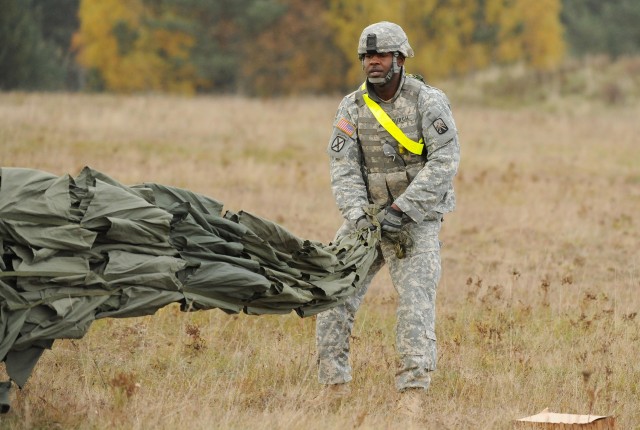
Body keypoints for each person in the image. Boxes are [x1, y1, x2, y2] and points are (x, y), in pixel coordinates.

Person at [315, 21, 460, 414]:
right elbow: (343, 166)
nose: (373, 63)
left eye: (380, 55)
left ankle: (412, 393)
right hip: (367, 221)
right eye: (367, 56)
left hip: (416, 220)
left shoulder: (428, 101)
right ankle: (333, 388)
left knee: (414, 304)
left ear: (400, 58)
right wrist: (359, 216)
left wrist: (405, 209)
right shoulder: (352, 106)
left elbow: (445, 161)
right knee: (333, 294)